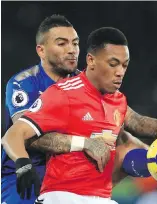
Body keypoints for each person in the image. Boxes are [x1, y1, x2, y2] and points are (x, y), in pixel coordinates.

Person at [2, 26, 157, 204]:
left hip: (101, 198)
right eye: (113, 64)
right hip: (63, 196)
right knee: (125, 144)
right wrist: (24, 164)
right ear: (91, 61)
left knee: (135, 149)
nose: (120, 72)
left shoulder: (118, 100)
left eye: (124, 65)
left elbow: (136, 121)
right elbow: (13, 135)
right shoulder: (63, 93)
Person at [1, 15, 112, 204]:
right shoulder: (24, 83)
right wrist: (85, 143)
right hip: (26, 173)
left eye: (75, 43)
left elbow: (122, 125)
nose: (72, 50)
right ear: (41, 51)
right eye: (62, 44)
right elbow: (24, 136)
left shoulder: (88, 85)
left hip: (70, 178)